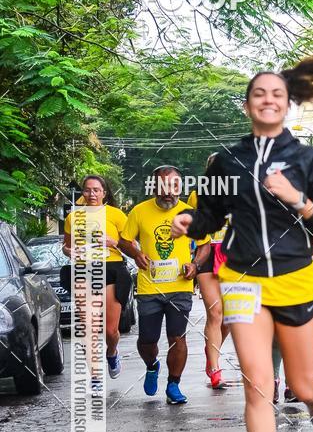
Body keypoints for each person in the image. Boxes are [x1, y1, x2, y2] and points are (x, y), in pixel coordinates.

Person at [171, 52, 313, 432]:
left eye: (277, 94)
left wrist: (296, 199)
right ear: (247, 105)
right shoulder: (226, 160)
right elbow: (210, 217)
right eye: (259, 94)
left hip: (297, 277)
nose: (268, 100)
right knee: (258, 385)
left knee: (302, 385)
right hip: (242, 277)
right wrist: (189, 221)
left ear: (288, 105)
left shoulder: (309, 160)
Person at [119, 165, 197, 404]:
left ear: (179, 187)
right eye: (163, 186)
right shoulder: (139, 211)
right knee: (147, 340)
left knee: (178, 337)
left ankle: (174, 384)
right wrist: (136, 253)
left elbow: (204, 245)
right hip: (149, 287)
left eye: (173, 186)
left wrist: (195, 265)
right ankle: (152, 365)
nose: (168, 191)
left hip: (180, 286)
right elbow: (124, 240)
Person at [62, 175, 131, 388]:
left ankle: (112, 353)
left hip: (112, 269)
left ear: (104, 193)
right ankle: (95, 376)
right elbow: (66, 246)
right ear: (82, 192)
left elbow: (131, 246)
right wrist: (69, 251)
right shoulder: (73, 217)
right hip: (84, 270)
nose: (91, 194)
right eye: (87, 190)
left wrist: (113, 242)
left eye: (96, 190)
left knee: (110, 330)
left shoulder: (116, 215)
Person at [187, 169, 229, 389]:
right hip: (207, 252)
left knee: (229, 317)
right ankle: (214, 369)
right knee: (215, 313)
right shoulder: (196, 195)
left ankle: (212, 349)